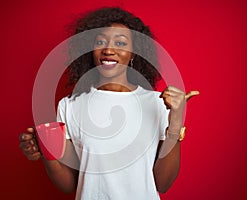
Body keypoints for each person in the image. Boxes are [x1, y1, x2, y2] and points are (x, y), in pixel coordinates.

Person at [19, 7, 199, 200]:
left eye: (120, 43)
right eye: (100, 42)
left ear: (134, 53)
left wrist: (176, 120)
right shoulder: (70, 105)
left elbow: (163, 183)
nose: (108, 50)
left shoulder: (158, 103)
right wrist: (47, 151)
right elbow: (69, 183)